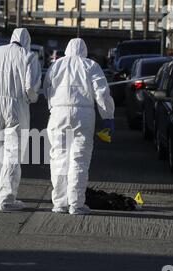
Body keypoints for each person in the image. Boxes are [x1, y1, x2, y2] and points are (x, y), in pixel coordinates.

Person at [43, 38, 115, 215]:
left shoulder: (56, 65)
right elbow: (102, 93)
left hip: (58, 114)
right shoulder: (91, 66)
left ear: (67, 49)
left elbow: (46, 89)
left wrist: (54, 106)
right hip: (84, 115)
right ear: (84, 50)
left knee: (59, 158)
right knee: (79, 160)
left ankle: (59, 203)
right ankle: (76, 204)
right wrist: (108, 116)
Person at [0, 28, 41, 211]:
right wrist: (32, 98)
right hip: (16, 106)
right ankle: (6, 198)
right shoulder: (28, 56)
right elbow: (31, 87)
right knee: (12, 152)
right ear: (27, 40)